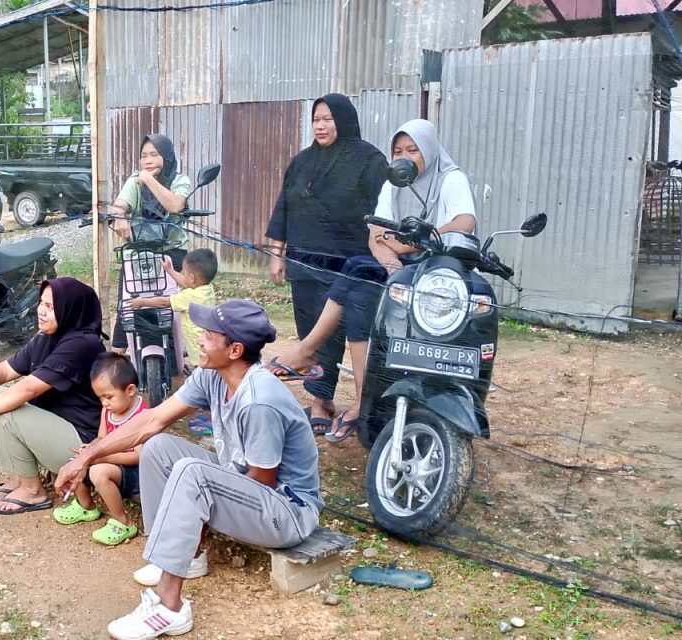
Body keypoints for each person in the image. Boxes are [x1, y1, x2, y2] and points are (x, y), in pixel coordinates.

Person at [56, 300, 322, 640]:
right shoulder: (213, 376)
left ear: (235, 349)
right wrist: (87, 457)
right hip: (248, 486)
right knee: (157, 447)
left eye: (210, 335)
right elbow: (151, 421)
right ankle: (183, 555)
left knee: (192, 473)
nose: (200, 339)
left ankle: (169, 608)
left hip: (287, 513)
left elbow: (262, 482)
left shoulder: (259, 402)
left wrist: (202, 503)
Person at [267, 118, 477, 442]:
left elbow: (464, 223)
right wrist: (392, 263)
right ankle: (362, 401)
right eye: (397, 150)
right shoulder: (394, 181)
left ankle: (311, 352)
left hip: (439, 273)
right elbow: (376, 235)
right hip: (401, 267)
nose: (404, 157)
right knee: (358, 285)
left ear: (430, 151)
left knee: (358, 281)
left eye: (412, 150)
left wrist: (406, 245)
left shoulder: (450, 179)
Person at [264, 93, 387, 437]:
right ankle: (321, 403)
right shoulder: (302, 162)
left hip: (352, 266)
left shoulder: (369, 160)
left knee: (357, 333)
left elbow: (384, 212)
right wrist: (277, 253)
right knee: (313, 334)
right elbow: (283, 207)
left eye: (328, 119)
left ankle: (365, 404)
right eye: (316, 119)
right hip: (305, 263)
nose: (320, 125)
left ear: (344, 121)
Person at [0, 277, 105, 515]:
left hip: (80, 445)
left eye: (51, 307)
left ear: (71, 310)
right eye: (41, 303)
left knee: (6, 411)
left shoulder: (81, 344)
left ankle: (33, 492)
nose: (41, 312)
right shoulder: (46, 337)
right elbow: (4, 370)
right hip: (55, 431)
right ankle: (19, 479)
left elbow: (27, 390)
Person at [52, 353, 148, 546]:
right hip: (112, 460)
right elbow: (102, 438)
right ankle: (85, 506)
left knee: (97, 471)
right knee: (76, 461)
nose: (104, 403)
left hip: (134, 470)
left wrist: (102, 457)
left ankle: (123, 522)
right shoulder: (108, 409)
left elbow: (138, 457)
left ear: (130, 390)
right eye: (100, 398)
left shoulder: (142, 415)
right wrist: (91, 448)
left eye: (108, 397)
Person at [109, 134, 192, 354]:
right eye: (143, 155)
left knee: (177, 301)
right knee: (125, 300)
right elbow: (119, 205)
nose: (147, 160)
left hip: (171, 250)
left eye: (154, 154)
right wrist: (118, 216)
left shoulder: (179, 180)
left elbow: (175, 205)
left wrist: (148, 180)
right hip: (139, 251)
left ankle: (183, 350)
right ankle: (117, 355)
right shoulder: (134, 180)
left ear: (167, 157)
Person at [126, 248, 218, 369]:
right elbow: (186, 283)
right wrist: (169, 270)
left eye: (183, 272)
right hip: (210, 344)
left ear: (192, 278)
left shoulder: (190, 297)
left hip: (199, 347)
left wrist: (142, 302)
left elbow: (164, 302)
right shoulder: (206, 289)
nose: (182, 274)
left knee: (203, 372)